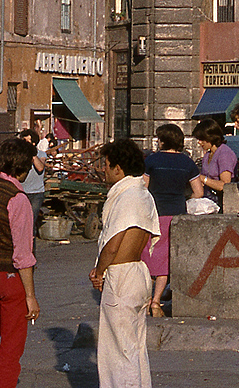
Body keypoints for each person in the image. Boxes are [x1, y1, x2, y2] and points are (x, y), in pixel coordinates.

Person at [90, 139, 160, 388]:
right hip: (137, 273)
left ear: (119, 168)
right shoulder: (142, 193)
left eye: (107, 165)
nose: (104, 170)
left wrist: (98, 272)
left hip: (122, 274)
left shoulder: (127, 196)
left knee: (119, 351)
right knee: (134, 346)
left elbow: (113, 244)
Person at [0, 137, 39, 388]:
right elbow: (23, 255)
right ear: (22, 169)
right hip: (11, 279)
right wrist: (31, 296)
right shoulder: (18, 199)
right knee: (11, 350)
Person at [141, 123, 204, 316]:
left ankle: (143, 300)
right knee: (164, 260)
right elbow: (199, 192)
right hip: (175, 214)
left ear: (162, 140)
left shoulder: (151, 160)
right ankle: (156, 302)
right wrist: (184, 199)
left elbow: (143, 188)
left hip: (152, 214)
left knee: (145, 257)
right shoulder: (188, 163)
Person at [192, 118, 237, 212]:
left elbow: (224, 185)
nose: (199, 142)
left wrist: (202, 179)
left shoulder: (224, 153)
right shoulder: (207, 156)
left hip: (220, 203)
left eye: (202, 139)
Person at [18, 127, 48, 240]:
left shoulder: (41, 154)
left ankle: (30, 246)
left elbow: (40, 168)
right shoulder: (20, 155)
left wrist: (32, 154)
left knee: (31, 220)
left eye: (27, 141)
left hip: (36, 193)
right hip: (22, 191)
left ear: (34, 143)